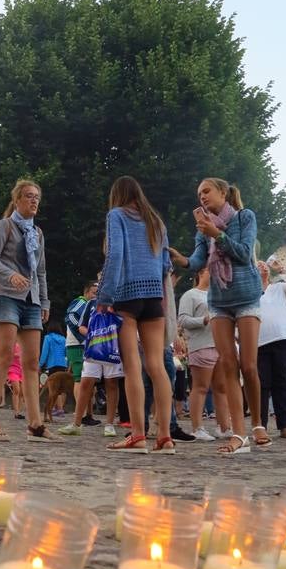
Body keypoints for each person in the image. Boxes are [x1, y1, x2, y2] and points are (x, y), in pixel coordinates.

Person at [170, 178, 263, 455]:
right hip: (220, 301)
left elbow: (245, 254)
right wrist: (183, 260)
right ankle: (239, 435)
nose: (202, 197)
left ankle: (257, 423)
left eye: (206, 191)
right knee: (228, 366)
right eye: (198, 193)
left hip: (247, 297)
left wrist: (217, 233)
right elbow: (199, 260)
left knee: (248, 365)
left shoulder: (244, 217)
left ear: (223, 193)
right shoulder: (203, 228)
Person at [96, 175, 174, 453]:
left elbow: (114, 254)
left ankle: (138, 435)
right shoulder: (157, 222)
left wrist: (104, 296)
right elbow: (166, 265)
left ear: (117, 195)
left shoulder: (116, 215)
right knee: (157, 365)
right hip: (154, 298)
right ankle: (165, 437)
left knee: (132, 367)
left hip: (127, 298)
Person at [0, 178, 60, 442]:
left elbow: (41, 271)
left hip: (32, 300)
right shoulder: (5, 226)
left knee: (31, 362)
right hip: (5, 296)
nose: (34, 200)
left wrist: (45, 302)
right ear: (17, 200)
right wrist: (10, 273)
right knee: (4, 356)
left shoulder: (37, 234)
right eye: (28, 196)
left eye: (37, 196)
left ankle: (35, 424)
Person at [178, 268, 231, 440]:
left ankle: (224, 427)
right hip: (201, 346)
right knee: (200, 388)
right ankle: (197, 427)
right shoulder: (190, 295)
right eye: (210, 270)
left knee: (222, 388)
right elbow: (183, 320)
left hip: (221, 347)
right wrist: (204, 320)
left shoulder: (221, 294)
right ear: (201, 273)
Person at [256, 259, 286, 440]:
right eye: (257, 265)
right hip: (259, 342)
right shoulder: (251, 292)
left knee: (281, 383)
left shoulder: (280, 288)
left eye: (263, 264)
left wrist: (282, 270)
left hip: (282, 339)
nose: (262, 267)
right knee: (262, 384)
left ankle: (284, 426)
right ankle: (260, 425)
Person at [59, 297, 120, 437]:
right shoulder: (91, 303)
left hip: (112, 348)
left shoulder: (118, 301)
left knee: (111, 383)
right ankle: (77, 423)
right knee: (86, 382)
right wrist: (93, 336)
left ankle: (109, 424)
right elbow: (81, 326)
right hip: (93, 348)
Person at [65, 282, 100, 425]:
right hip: (77, 344)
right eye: (93, 293)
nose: (95, 296)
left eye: (97, 293)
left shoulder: (92, 305)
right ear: (86, 293)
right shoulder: (81, 302)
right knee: (80, 378)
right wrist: (82, 335)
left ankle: (87, 414)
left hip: (84, 344)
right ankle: (82, 414)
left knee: (88, 379)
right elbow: (71, 317)